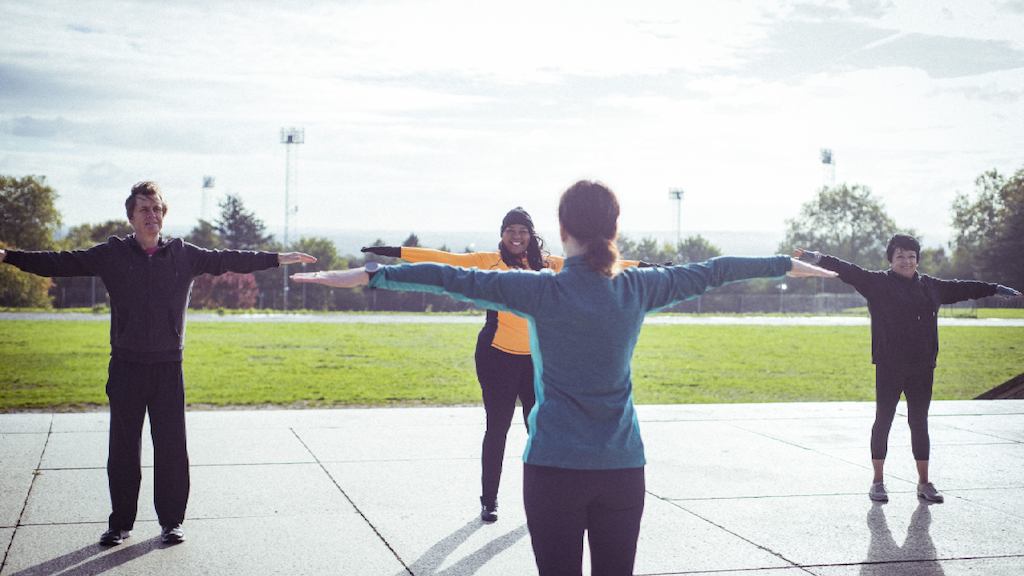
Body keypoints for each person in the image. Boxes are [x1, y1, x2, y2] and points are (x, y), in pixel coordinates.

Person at [294, 180, 834, 575]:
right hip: (623, 469)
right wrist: (786, 263)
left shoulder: (539, 290)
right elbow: (716, 270)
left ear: (561, 231)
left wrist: (371, 273)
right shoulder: (639, 288)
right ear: (615, 229)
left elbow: (452, 278)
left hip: (553, 469)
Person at [0, 181, 316, 546]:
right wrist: (9, 256)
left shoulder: (185, 255)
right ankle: (120, 524)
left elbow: (229, 258)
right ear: (131, 217)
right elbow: (60, 262)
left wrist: (277, 258)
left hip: (168, 367)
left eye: (156, 209)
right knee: (123, 448)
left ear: (163, 215)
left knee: (170, 446)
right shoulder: (111, 255)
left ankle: (171, 522)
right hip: (126, 366)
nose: (151, 215)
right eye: (144, 209)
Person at [361, 207, 643, 523]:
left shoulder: (551, 266)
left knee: (541, 431)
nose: (516, 236)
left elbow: (601, 266)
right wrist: (391, 252)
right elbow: (443, 259)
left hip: (538, 360)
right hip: (496, 356)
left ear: (531, 235)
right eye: (510, 230)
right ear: (502, 234)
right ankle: (489, 500)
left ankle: (550, 499)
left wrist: (645, 267)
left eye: (522, 230)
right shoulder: (486, 262)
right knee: (497, 428)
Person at [795, 237, 1020, 504]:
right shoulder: (876, 283)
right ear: (891, 260)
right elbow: (847, 269)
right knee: (884, 420)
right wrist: (816, 257)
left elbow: (965, 288)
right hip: (890, 365)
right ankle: (877, 482)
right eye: (901, 256)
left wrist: (995, 288)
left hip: (923, 366)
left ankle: (924, 483)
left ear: (918, 260)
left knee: (919, 422)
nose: (907, 261)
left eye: (912, 256)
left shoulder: (931, 287)